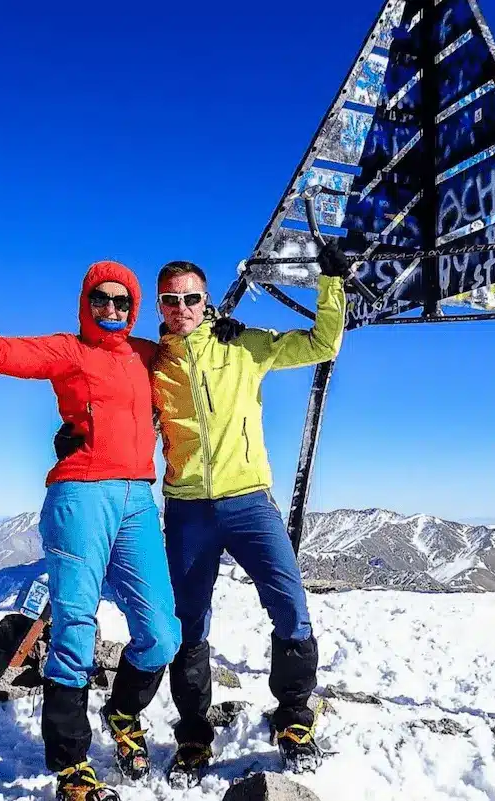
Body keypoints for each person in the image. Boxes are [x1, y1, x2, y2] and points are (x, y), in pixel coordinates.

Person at [0, 259, 182, 801]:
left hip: (138, 499)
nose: (112, 309)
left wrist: (216, 320)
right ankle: (71, 763)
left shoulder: (148, 354)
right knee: (75, 628)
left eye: (123, 301)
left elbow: (196, 352)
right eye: (101, 300)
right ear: (86, 302)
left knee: (162, 632)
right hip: (80, 494)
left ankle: (122, 712)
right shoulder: (68, 350)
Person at [149, 245, 351, 783]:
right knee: (189, 624)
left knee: (291, 608)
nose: (182, 307)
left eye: (192, 297)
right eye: (171, 300)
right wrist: (77, 434)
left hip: (249, 502)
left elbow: (322, 342)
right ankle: (193, 737)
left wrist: (330, 282)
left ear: (206, 299)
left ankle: (293, 721)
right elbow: (112, 399)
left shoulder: (242, 346)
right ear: (160, 306)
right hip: (189, 508)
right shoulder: (153, 363)